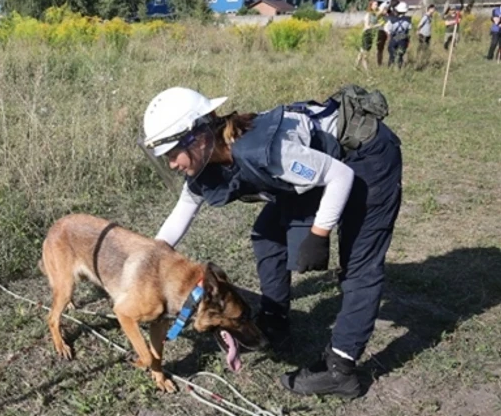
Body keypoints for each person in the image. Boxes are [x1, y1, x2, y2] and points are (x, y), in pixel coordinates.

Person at [140, 86, 402, 399]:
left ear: (196, 136)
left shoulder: (263, 151)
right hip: (325, 163)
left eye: (172, 154)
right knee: (268, 233)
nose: (171, 164)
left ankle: (340, 369)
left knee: (359, 265)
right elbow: (183, 210)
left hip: (362, 156)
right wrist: (150, 259)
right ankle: (274, 322)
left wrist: (318, 234)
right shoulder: (209, 159)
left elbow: (340, 176)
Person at [355, 0, 380, 71]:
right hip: (367, 35)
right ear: (371, 6)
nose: (377, 6)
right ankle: (367, 71)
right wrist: (378, 25)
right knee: (365, 54)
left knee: (361, 52)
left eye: (377, 4)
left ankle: (355, 67)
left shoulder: (375, 15)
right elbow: (367, 26)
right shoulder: (368, 15)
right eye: (375, 5)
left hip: (371, 35)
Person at [387, 2, 412, 68]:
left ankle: (390, 68)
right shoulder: (408, 19)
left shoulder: (391, 19)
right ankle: (399, 69)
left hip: (394, 37)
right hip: (403, 38)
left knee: (391, 53)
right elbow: (409, 30)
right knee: (400, 55)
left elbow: (388, 29)